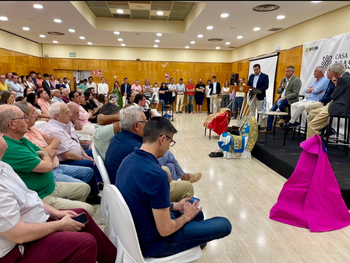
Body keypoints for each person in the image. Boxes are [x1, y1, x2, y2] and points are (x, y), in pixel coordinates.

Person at [116, 116, 232, 257]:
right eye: (171, 141)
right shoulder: (156, 175)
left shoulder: (127, 160)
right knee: (224, 224)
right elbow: (165, 230)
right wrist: (185, 218)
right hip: (157, 243)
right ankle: (190, 240)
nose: (169, 147)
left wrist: (172, 206)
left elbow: (142, 200)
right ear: (162, 139)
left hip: (139, 229)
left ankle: (194, 237)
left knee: (196, 209)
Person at [0, 134, 117, 263]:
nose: (2, 135)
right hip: (17, 249)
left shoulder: (4, 166)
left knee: (81, 216)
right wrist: (60, 225)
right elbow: (19, 235)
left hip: (35, 222)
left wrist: (57, 213)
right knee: (85, 243)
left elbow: (31, 196)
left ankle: (114, 259)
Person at [0, 104, 94, 215]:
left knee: (85, 189)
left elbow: (50, 148)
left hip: (50, 185)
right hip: (41, 196)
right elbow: (47, 166)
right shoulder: (10, 148)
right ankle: (63, 217)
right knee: (88, 209)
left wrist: (44, 155)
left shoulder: (21, 139)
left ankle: (68, 215)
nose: (27, 120)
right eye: (23, 118)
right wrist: (45, 155)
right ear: (12, 124)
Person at [16, 101, 94, 185]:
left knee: (88, 171)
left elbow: (57, 141)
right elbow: (46, 155)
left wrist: (48, 150)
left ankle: (79, 192)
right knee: (83, 186)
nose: (37, 115)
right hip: (50, 170)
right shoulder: (23, 136)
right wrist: (50, 150)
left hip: (57, 165)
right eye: (33, 112)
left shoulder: (32, 129)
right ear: (24, 117)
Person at [41, 102, 101, 205]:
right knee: (88, 163)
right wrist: (83, 159)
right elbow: (66, 155)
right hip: (64, 160)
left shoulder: (66, 123)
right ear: (57, 116)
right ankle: (92, 195)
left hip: (73, 155)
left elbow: (76, 141)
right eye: (67, 113)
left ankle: (96, 183)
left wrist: (85, 155)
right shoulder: (53, 129)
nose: (69, 115)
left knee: (90, 153)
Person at [307, 63, 349, 139]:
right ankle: (327, 128)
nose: (331, 74)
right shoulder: (346, 77)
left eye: (332, 72)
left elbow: (333, 95)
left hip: (338, 106)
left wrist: (335, 83)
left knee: (312, 126)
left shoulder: (342, 79)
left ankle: (312, 147)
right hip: (335, 103)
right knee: (311, 114)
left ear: (335, 72)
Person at [260, 66, 302, 133]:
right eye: (285, 71)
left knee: (280, 103)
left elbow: (295, 93)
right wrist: (282, 88)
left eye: (288, 71)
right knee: (271, 111)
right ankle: (269, 129)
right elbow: (278, 91)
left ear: (292, 72)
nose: (286, 73)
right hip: (281, 99)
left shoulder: (296, 80)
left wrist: (285, 97)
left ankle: (284, 117)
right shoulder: (284, 79)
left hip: (290, 100)